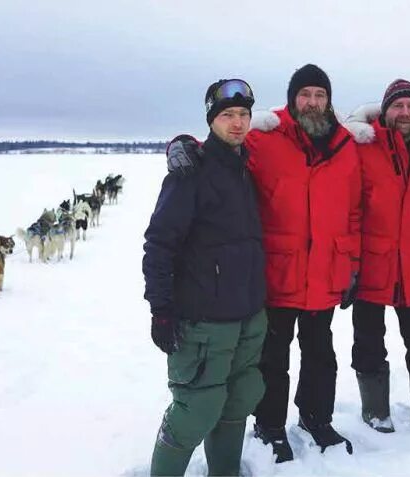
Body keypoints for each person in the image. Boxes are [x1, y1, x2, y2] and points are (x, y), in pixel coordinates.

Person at [167, 64, 361, 463]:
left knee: (321, 353)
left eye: (320, 95)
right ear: (292, 100)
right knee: (273, 356)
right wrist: (180, 143)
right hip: (276, 273)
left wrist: (351, 263)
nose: (312, 102)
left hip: (326, 271)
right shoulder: (265, 139)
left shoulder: (346, 146)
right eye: (305, 94)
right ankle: (270, 425)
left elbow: (354, 211)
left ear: (329, 101)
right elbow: (218, 148)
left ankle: (316, 418)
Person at [142, 78, 267, 477]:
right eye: (228, 115)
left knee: (238, 401)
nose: (238, 123)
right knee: (196, 410)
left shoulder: (246, 166)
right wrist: (161, 309)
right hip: (202, 321)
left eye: (244, 115)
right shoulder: (190, 171)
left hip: (247, 315)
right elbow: (159, 245)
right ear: (211, 120)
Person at [343, 79, 410, 438]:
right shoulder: (361, 147)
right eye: (397, 106)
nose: (405, 113)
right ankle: (376, 411)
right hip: (370, 266)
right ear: (385, 110)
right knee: (368, 342)